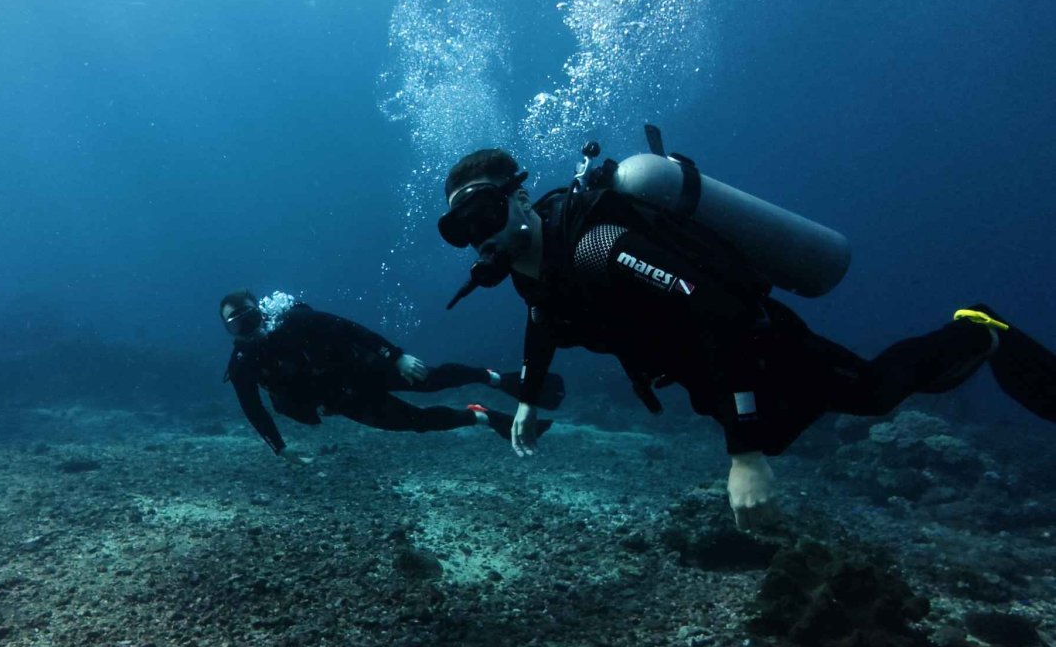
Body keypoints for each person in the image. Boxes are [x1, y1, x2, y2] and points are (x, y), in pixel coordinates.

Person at [437, 138, 1056, 530]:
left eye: (485, 214)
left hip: (755, 345)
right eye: (462, 229)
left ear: (519, 197)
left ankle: (976, 329)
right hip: (705, 370)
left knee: (871, 392)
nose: (479, 237)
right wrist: (528, 398)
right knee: (790, 431)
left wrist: (744, 456)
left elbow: (720, 317)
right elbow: (544, 322)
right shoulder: (534, 272)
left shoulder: (600, 245)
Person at [221, 290, 565, 460]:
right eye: (237, 324)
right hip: (344, 401)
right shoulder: (242, 366)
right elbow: (254, 409)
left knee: (432, 381)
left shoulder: (295, 321)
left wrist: (396, 356)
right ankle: (482, 417)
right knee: (417, 422)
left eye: (250, 317)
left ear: (261, 312)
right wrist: (279, 448)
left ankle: (494, 378)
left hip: (366, 369)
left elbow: (350, 329)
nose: (248, 327)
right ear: (229, 331)